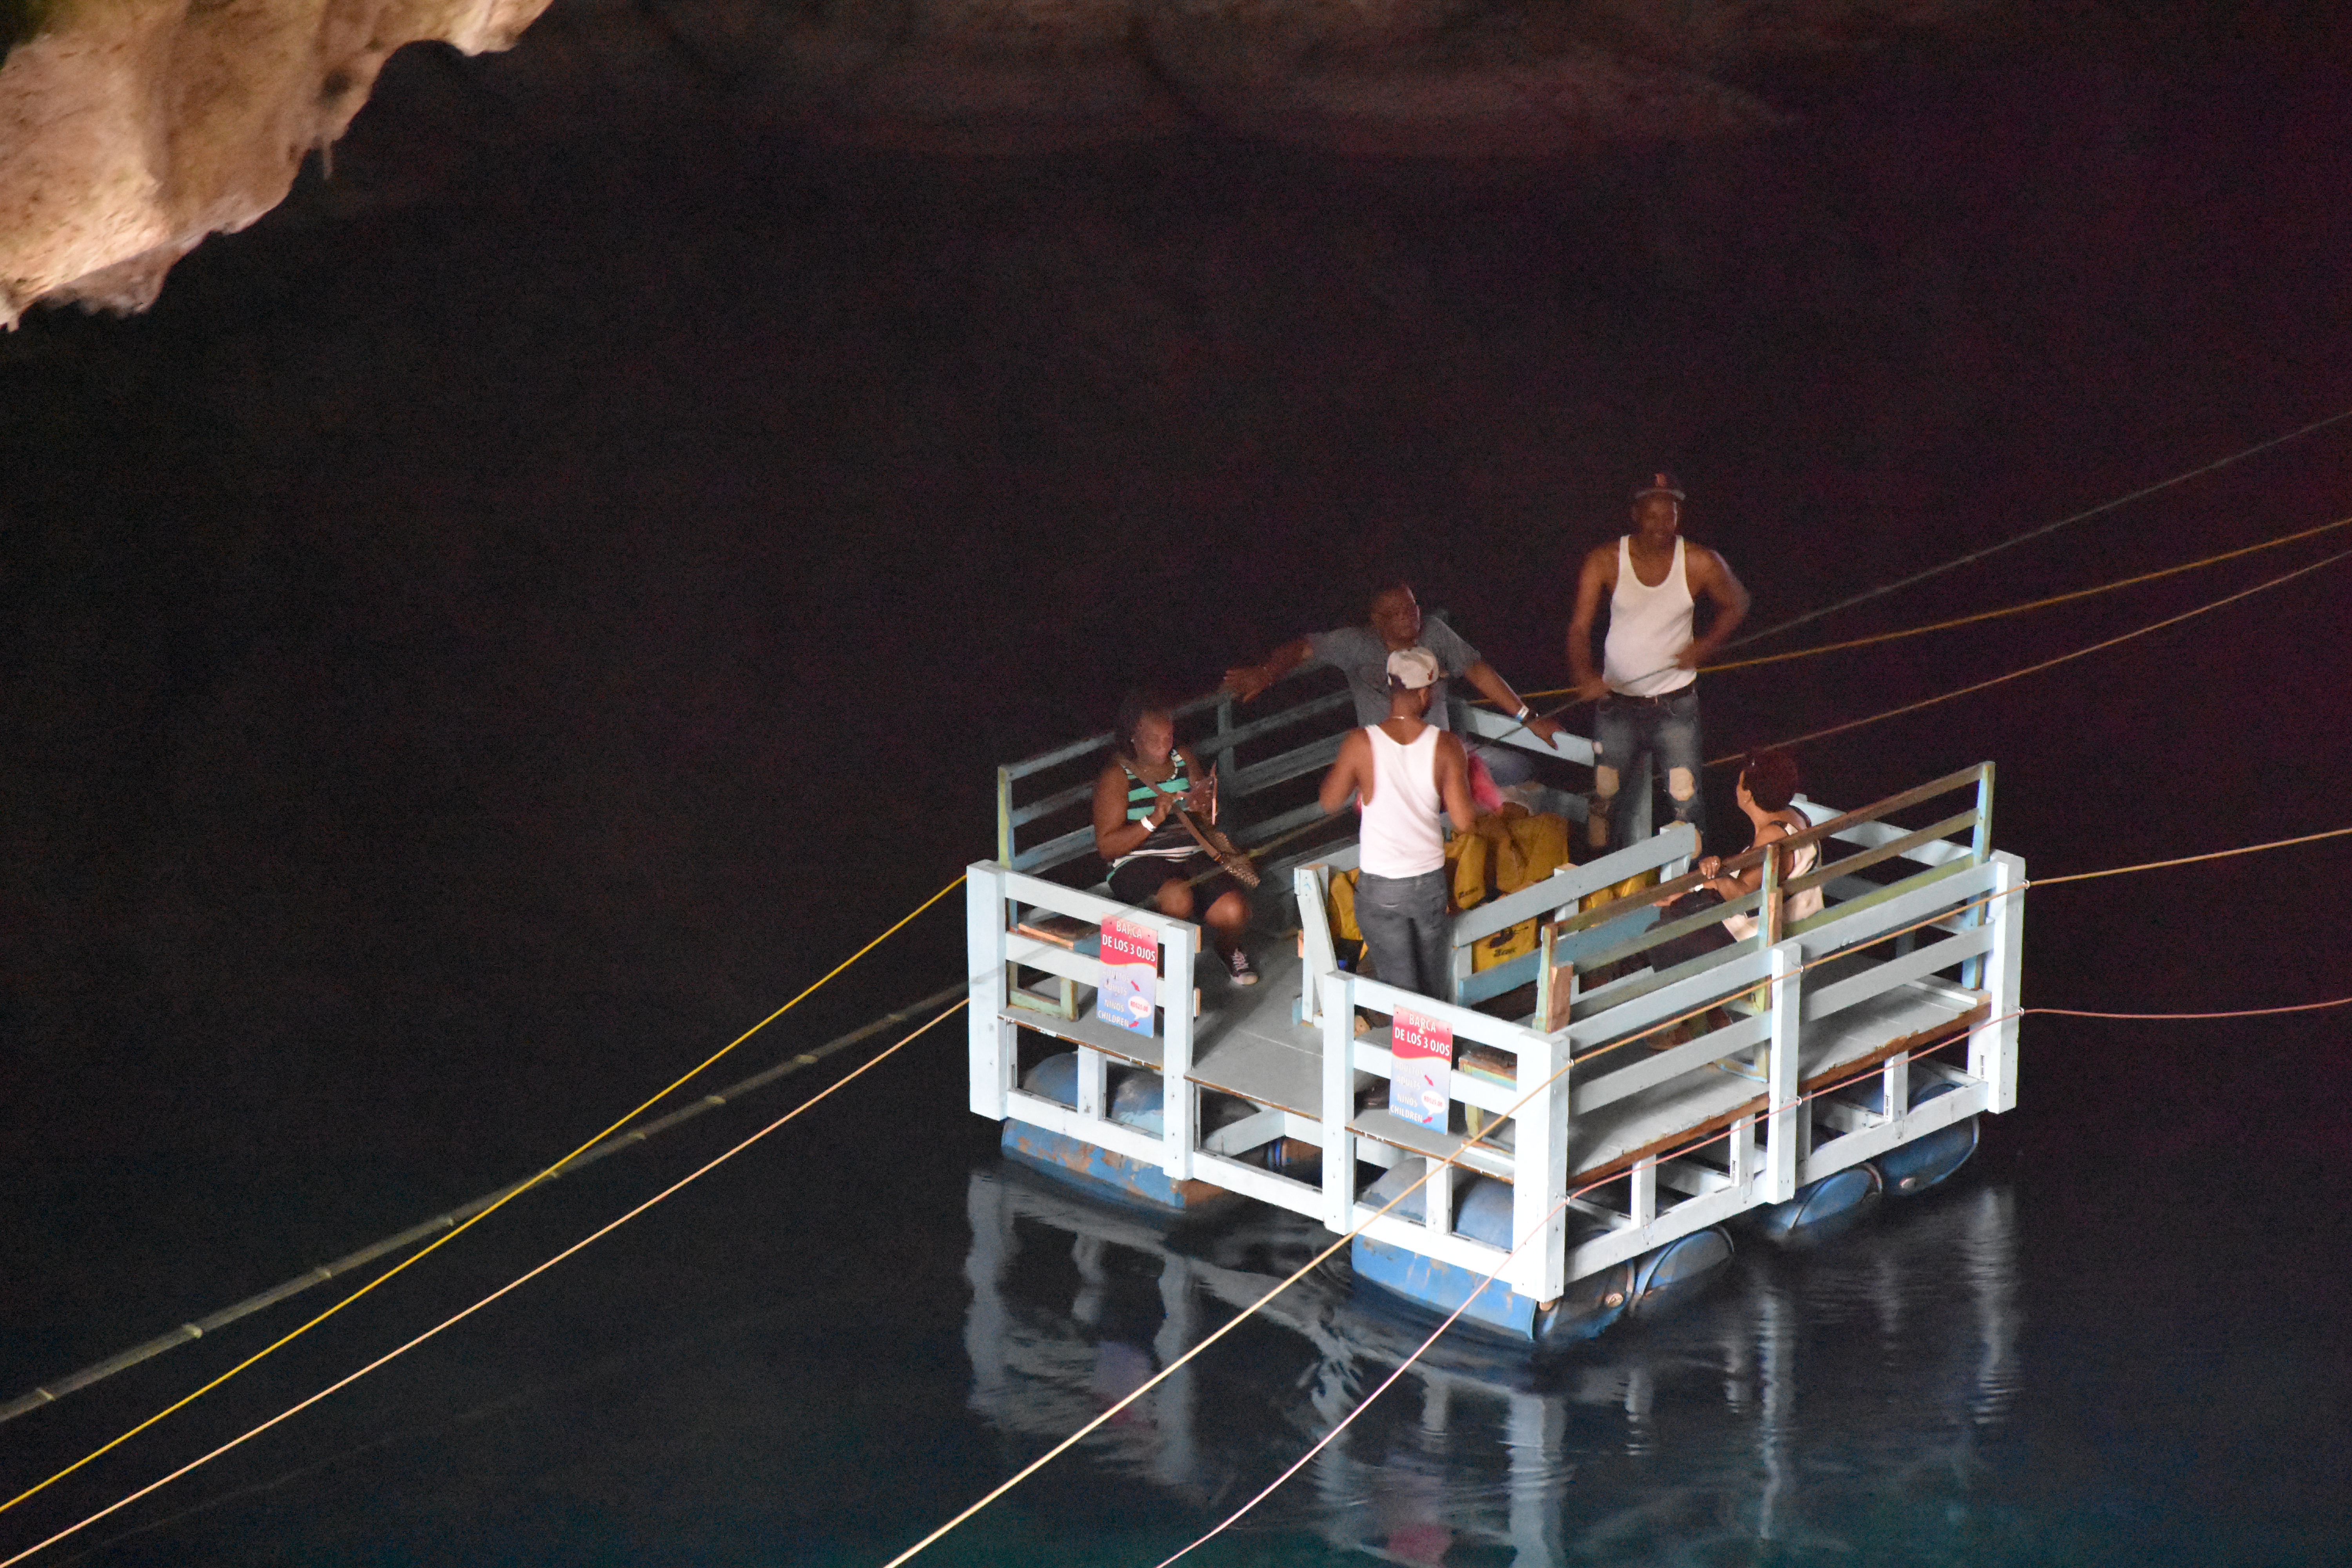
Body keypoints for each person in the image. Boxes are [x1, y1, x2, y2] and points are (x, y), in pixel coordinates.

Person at [1224, 581, 1565, 793]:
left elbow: (1479, 672)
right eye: (1396, 613)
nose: (1408, 617)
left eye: (1412, 608)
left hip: (1442, 751)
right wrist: (1266, 673)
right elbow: (1302, 648)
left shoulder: (1434, 633)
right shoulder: (1357, 644)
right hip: (1391, 764)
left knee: (1520, 769)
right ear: (1377, 621)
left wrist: (1528, 717)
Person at [1565, 471, 1751, 853]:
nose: (1661, 526)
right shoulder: (1607, 560)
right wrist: (1583, 673)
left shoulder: (1699, 562)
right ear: (1636, 514)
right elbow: (1579, 628)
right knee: (1604, 803)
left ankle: (1692, 893)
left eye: (1670, 516)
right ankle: (1597, 889)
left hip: (1676, 705)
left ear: (1679, 517)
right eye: (1652, 515)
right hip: (1616, 704)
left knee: (1686, 802)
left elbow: (1738, 604)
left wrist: (1705, 645)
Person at [1316, 649, 1479, 1000]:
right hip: (1428, 884)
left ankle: (1406, 1051)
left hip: (1381, 889)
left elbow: (1329, 802)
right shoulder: (1448, 746)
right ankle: (1437, 1049)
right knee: (1432, 988)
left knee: (1400, 990)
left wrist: (1361, 777)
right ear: (1425, 693)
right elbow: (1466, 823)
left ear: (1390, 689)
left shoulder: (1360, 743)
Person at [1092, 692, 1258, 985]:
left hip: (1191, 855)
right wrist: (1152, 819)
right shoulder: (1117, 776)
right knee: (1177, 899)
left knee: (1235, 911)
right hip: (1138, 862)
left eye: (1168, 737)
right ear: (1134, 738)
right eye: (1153, 740)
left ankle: (1228, 947)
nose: (1163, 746)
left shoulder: (1182, 758)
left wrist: (1204, 805)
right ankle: (1163, 972)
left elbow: (1204, 812)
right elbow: (1107, 847)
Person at [1692, 748, 1822, 942]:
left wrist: (1715, 872)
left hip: (1768, 934)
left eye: (1739, 783)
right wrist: (1696, 887)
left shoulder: (1774, 835)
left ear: (1748, 796)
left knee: (1663, 931)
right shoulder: (1796, 816)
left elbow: (1742, 895)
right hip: (1800, 920)